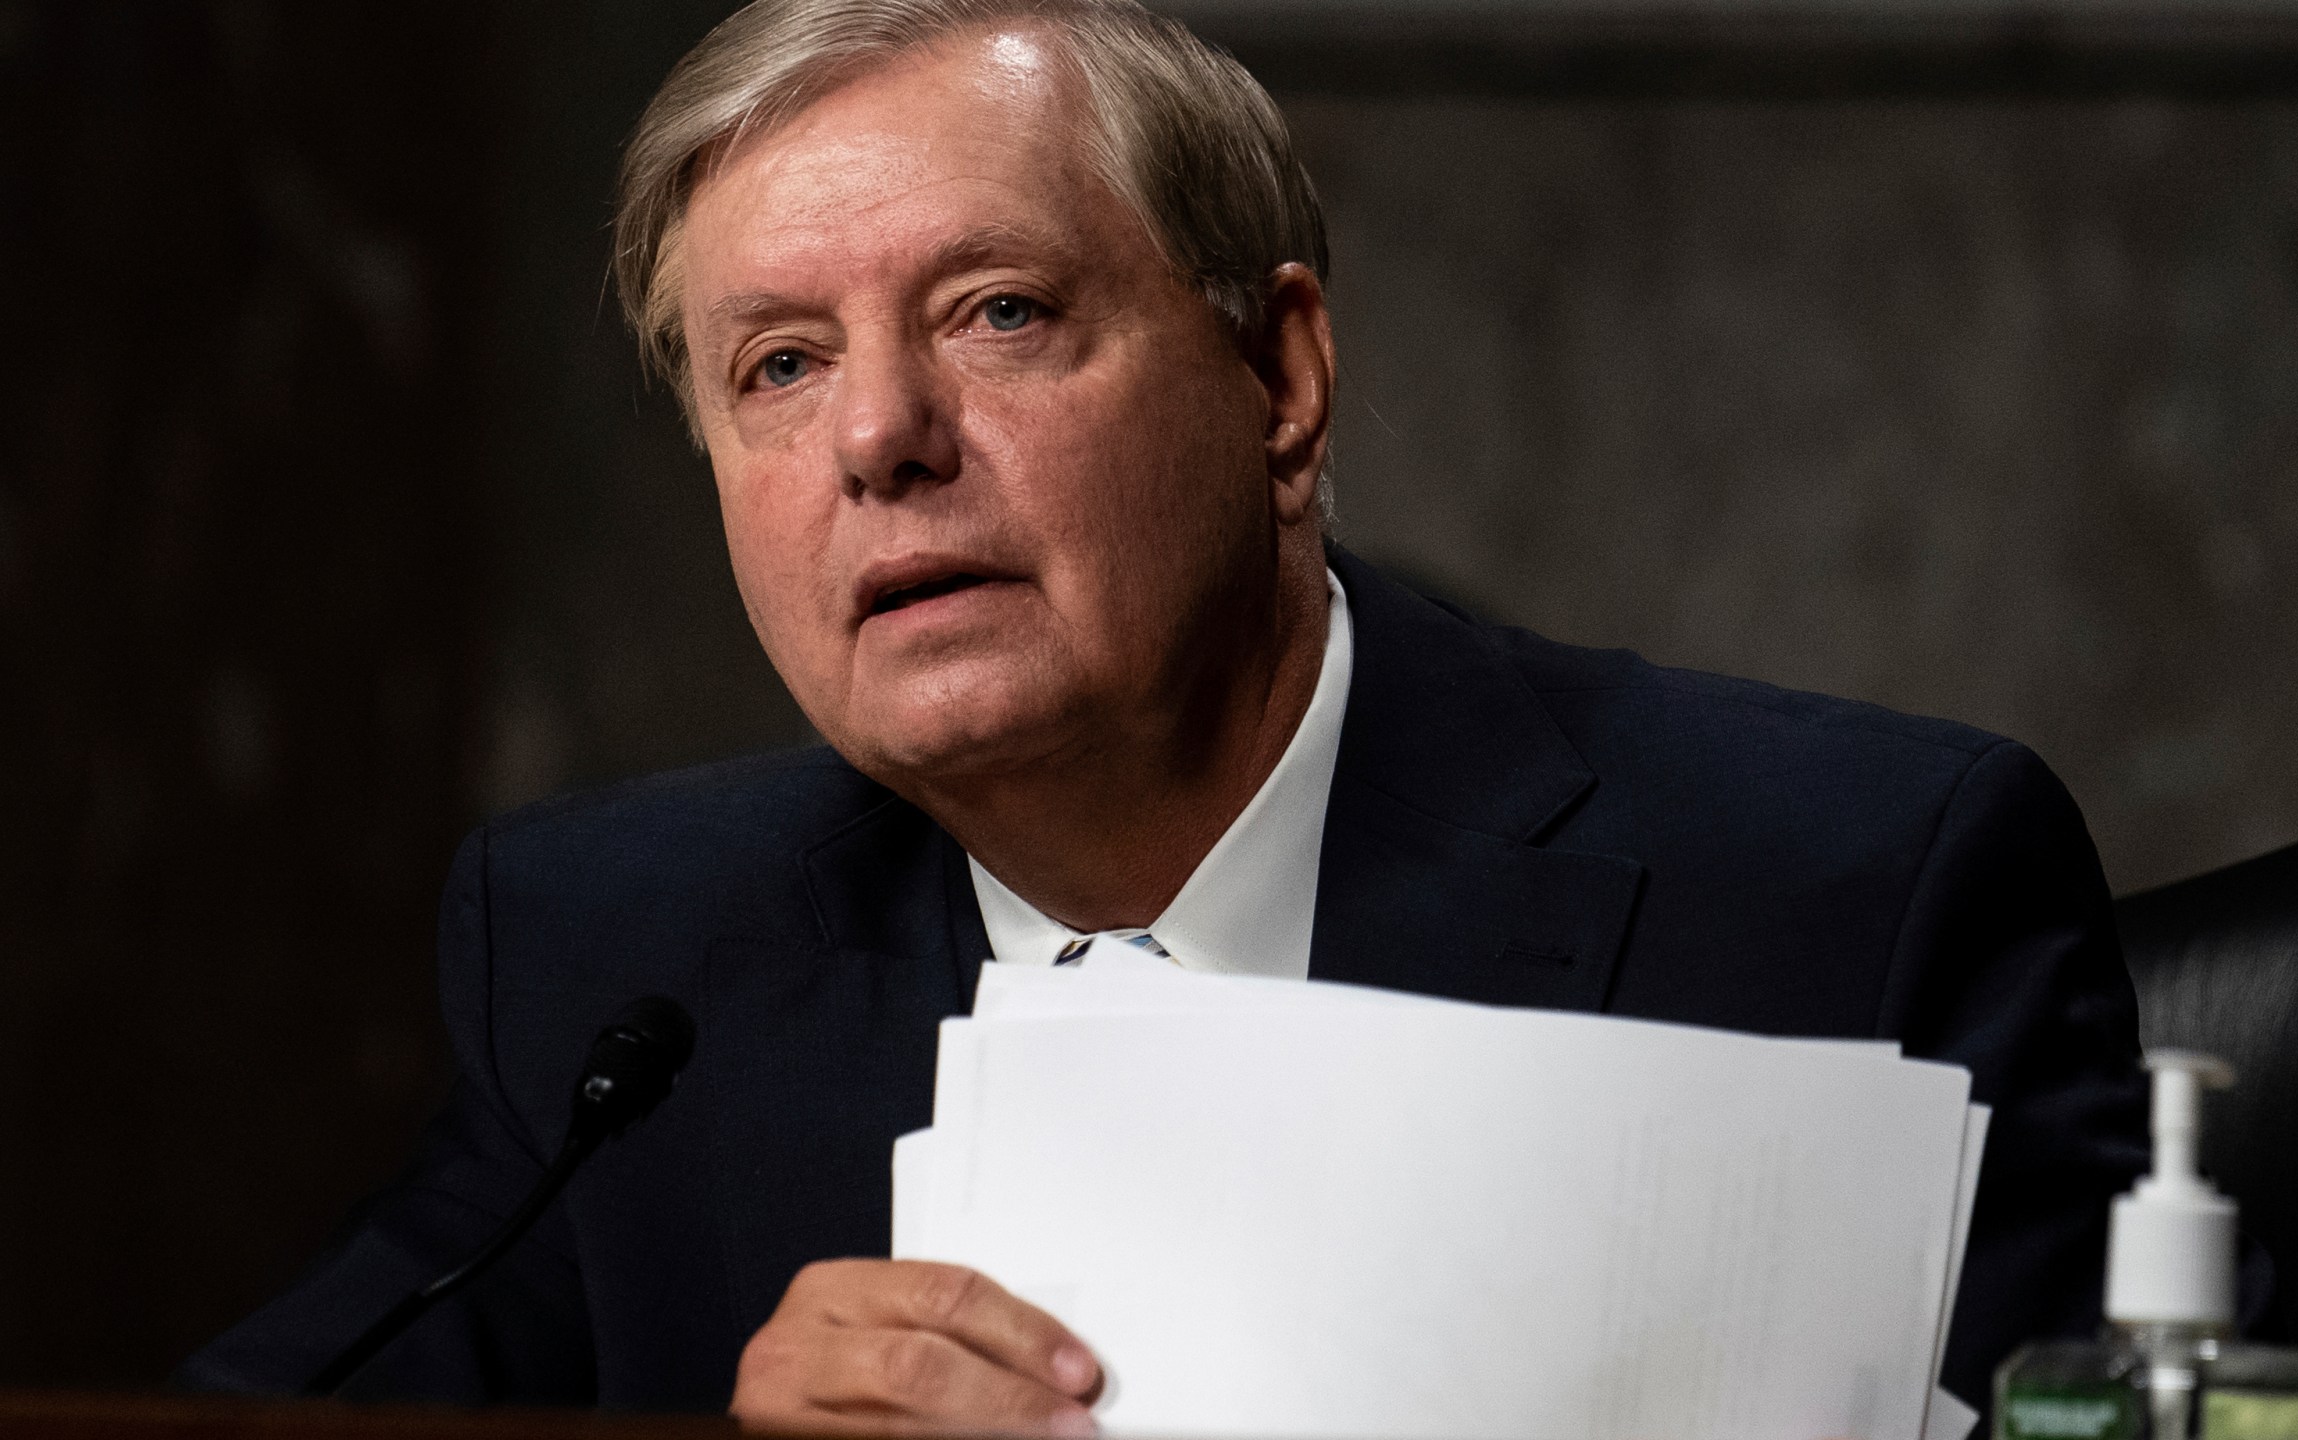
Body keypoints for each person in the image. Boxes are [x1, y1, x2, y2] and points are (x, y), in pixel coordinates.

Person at [183, 0, 2148, 1432]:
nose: (878, 437)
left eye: (998, 314)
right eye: (776, 365)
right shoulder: (623, 961)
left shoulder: (1855, 894)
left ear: (1278, 377)